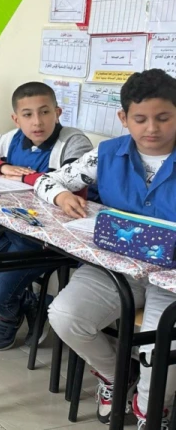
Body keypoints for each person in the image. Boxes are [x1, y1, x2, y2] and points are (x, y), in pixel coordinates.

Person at [38, 69, 176, 428]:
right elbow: (47, 181)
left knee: (163, 345)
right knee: (65, 315)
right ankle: (117, 374)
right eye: (140, 119)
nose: (152, 129)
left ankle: (151, 412)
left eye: (163, 118)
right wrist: (62, 195)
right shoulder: (107, 154)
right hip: (117, 268)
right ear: (124, 118)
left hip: (170, 278)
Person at [0, 82, 93, 351]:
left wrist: (24, 177)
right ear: (16, 119)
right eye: (27, 114)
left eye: (45, 112)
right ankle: (28, 303)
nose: (37, 121)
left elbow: (68, 182)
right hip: (4, 226)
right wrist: (2, 167)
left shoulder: (73, 142)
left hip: (44, 239)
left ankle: (7, 312)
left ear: (57, 112)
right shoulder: (10, 139)